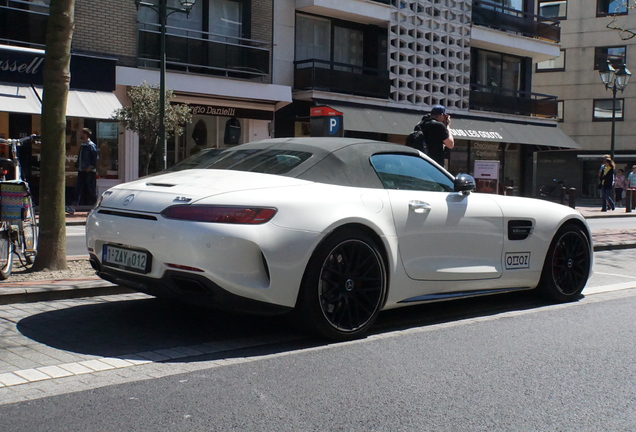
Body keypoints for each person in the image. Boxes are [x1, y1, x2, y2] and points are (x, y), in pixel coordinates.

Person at [73, 128, 98, 209]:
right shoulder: (83, 145)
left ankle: (95, 204)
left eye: (81, 133)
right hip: (82, 169)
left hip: (88, 171)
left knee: (91, 188)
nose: (80, 134)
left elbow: (95, 157)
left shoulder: (91, 145)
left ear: (85, 134)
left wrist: (90, 167)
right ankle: (75, 203)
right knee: (78, 187)